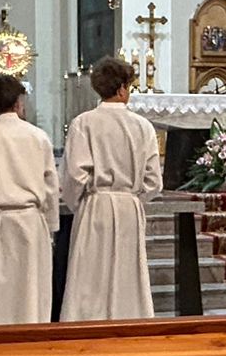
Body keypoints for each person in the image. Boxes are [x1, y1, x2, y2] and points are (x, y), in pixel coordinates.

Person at [60, 54, 162, 321]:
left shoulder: (84, 123)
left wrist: (80, 204)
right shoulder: (143, 126)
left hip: (96, 205)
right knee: (127, 274)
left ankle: (86, 324)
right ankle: (130, 323)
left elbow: (74, 175)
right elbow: (153, 181)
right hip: (129, 207)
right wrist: (133, 199)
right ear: (122, 88)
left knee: (90, 272)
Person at [0, 75, 59, 325]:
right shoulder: (38, 137)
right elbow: (50, 186)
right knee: (30, 292)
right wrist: (51, 226)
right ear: (18, 102)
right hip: (30, 222)